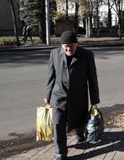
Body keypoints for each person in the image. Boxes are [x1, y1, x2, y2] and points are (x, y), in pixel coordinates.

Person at [44, 30, 100, 160]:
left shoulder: (87, 55)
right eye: (66, 46)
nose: (69, 49)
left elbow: (92, 78)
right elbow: (50, 76)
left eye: (72, 45)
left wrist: (94, 100)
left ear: (77, 44)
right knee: (58, 123)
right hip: (58, 96)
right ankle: (60, 153)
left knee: (79, 118)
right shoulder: (54, 54)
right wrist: (47, 94)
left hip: (79, 95)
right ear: (61, 46)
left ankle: (79, 133)